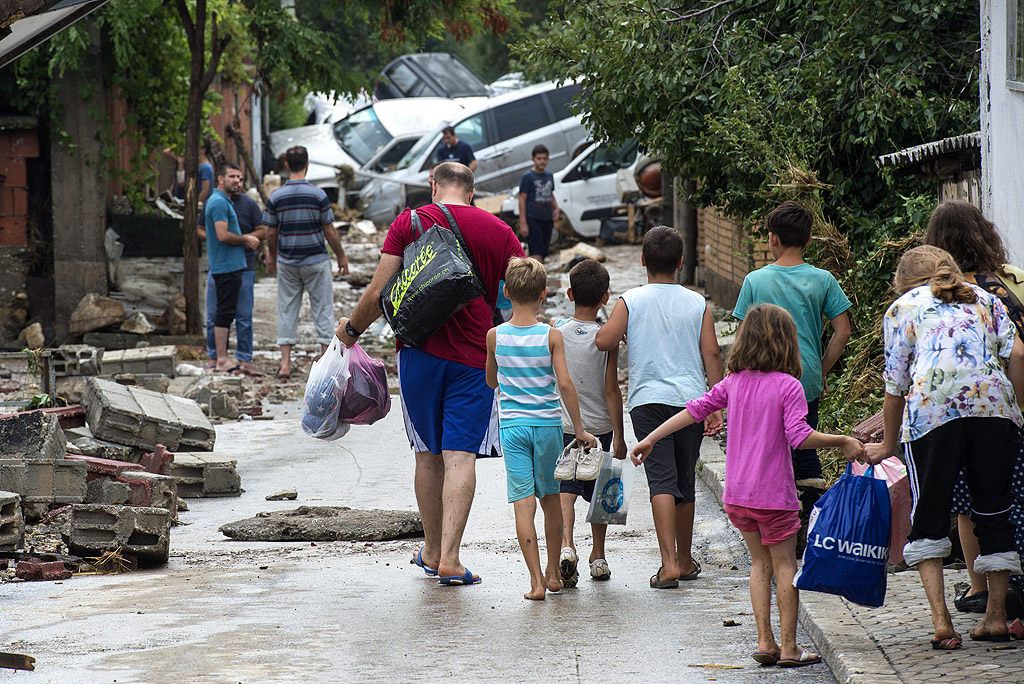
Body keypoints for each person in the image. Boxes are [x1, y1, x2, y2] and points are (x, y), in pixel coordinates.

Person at [630, 303, 862, 667]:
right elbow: (799, 437)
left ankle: (764, 641)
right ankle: (789, 648)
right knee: (785, 566)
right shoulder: (789, 386)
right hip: (775, 495)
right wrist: (843, 441)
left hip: (738, 496)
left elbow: (694, 409)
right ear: (788, 343)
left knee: (759, 565)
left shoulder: (733, 383)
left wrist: (650, 439)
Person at [335, 161, 524, 586]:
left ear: (433, 186)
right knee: (461, 456)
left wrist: (350, 331)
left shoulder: (410, 222)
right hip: (475, 358)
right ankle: (451, 560)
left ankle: (433, 550)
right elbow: (521, 293)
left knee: (427, 454)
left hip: (419, 355)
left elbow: (380, 292)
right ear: (471, 192)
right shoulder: (500, 231)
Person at [864, 245, 1024, 648]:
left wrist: (887, 442)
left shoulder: (903, 307)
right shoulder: (985, 298)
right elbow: (1018, 351)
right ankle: (996, 619)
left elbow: (895, 387)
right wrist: (1017, 409)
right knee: (993, 510)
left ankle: (941, 624)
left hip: (933, 416)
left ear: (903, 281)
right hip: (994, 411)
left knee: (930, 513)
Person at [595, 225, 725, 588]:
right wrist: (717, 400)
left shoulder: (630, 300)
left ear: (642, 261)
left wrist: (621, 330)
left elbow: (604, 340)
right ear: (681, 262)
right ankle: (684, 560)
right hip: (692, 403)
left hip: (647, 404)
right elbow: (711, 352)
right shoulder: (697, 302)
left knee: (662, 480)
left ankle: (667, 564)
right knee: (685, 478)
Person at [923, 201, 1024, 619]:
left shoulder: (938, 295)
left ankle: (978, 588)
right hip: (1006, 406)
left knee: (968, 505)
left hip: (952, 411)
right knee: (1004, 497)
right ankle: (1007, 595)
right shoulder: (1007, 284)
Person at [485, 257, 598, 600]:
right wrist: (579, 428)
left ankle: (535, 582)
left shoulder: (495, 336)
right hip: (548, 426)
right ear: (544, 294)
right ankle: (552, 573)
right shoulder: (551, 336)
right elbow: (564, 384)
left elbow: (492, 380)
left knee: (523, 504)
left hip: (514, 426)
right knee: (550, 499)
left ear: (506, 292)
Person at [732, 201, 851, 522]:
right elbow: (843, 332)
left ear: (772, 238)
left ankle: (776, 518)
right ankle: (809, 521)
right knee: (805, 443)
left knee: (771, 448)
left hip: (763, 381)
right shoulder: (823, 279)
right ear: (809, 240)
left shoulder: (755, 281)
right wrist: (821, 370)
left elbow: (742, 335)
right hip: (806, 378)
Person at [551, 259, 626, 586]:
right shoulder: (605, 340)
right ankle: (598, 554)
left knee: (566, 485)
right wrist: (620, 435)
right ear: (605, 297)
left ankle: (567, 545)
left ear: (569, 293)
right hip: (600, 427)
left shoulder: (556, 331)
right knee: (602, 489)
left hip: (566, 425)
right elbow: (611, 389)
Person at [263, 145, 349, 380]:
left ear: (287, 166)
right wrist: (340, 255)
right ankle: (324, 358)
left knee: (287, 309)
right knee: (322, 308)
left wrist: (272, 254)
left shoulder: (276, 196)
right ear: (307, 165)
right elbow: (329, 231)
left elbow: (271, 232)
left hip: (288, 262)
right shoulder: (318, 195)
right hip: (316, 260)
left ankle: (285, 364)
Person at [197, 163, 266, 374]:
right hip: (225, 265)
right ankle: (219, 358)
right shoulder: (218, 202)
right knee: (219, 314)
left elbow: (263, 229)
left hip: (240, 266)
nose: (237, 181)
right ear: (220, 179)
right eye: (232, 177)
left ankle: (240, 358)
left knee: (241, 315)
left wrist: (250, 238)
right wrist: (243, 239)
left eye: (240, 177)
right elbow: (221, 235)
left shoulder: (246, 204)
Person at [518, 144, 561, 263]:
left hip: (547, 217)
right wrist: (523, 223)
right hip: (533, 218)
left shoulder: (549, 175)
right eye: (539, 158)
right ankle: (538, 278)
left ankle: (542, 275)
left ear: (548, 159)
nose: (542, 161)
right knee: (536, 252)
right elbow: (521, 199)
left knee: (545, 250)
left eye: (544, 158)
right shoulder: (527, 177)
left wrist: (556, 208)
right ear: (533, 159)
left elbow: (550, 193)